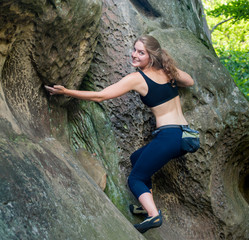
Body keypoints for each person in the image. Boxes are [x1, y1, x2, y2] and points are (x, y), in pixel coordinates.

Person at [45, 34, 195, 233]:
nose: (134, 55)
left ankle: (153, 215)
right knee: (137, 158)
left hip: (169, 137)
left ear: (151, 56)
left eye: (141, 52)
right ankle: (146, 203)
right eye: (134, 50)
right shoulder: (168, 71)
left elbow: (101, 96)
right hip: (186, 135)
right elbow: (189, 81)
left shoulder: (137, 78)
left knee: (135, 179)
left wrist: (66, 92)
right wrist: (168, 68)